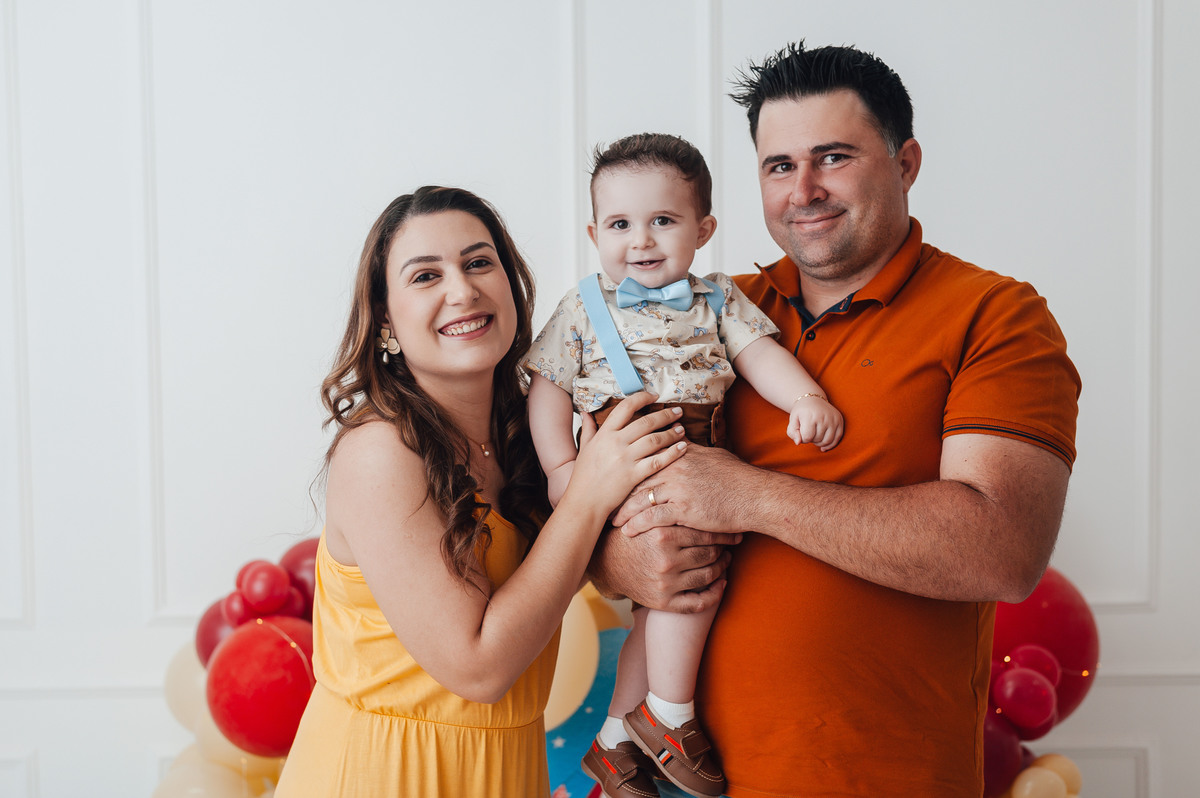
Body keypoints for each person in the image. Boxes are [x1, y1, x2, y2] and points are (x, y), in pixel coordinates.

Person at [588, 42, 1082, 798]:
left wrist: (747, 496)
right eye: (779, 166)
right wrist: (623, 561)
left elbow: (1003, 550)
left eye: (834, 157)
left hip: (881, 777)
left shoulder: (995, 316)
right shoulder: (701, 314)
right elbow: (587, 500)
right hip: (678, 777)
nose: (804, 190)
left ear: (906, 163)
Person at [274, 186, 691, 798]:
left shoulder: (533, 433)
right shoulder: (380, 453)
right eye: (426, 276)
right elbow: (478, 668)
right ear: (386, 320)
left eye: (478, 263)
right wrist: (589, 494)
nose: (463, 290)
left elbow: (577, 572)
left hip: (506, 772)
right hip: (382, 776)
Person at [523, 133, 843, 798]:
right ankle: (670, 713)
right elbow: (548, 390)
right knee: (694, 578)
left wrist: (805, 398)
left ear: (703, 230)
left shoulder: (718, 297)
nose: (640, 240)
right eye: (620, 225)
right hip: (623, 455)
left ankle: (615, 739)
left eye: (663, 221)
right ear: (595, 234)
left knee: (661, 595)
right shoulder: (582, 305)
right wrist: (560, 470)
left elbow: (759, 356)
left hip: (696, 451)